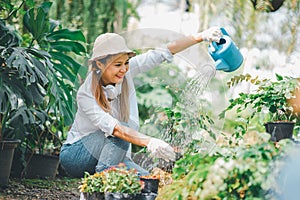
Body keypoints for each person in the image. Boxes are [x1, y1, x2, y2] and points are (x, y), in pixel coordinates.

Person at [59, 27, 223, 178]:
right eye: (118, 64)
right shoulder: (86, 93)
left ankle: (111, 176)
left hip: (114, 155)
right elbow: (117, 130)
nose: (124, 69)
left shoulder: (125, 74)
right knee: (122, 128)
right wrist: (150, 142)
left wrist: (201, 36)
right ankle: (104, 181)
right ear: (100, 64)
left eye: (126, 63)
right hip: (77, 156)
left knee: (149, 182)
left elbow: (163, 52)